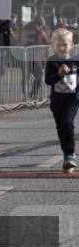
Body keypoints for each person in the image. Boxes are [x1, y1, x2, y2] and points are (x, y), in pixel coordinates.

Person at [45, 28, 78, 173]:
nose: (62, 48)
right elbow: (48, 80)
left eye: (65, 45)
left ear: (72, 45)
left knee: (67, 123)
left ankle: (70, 154)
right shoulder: (52, 61)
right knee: (60, 127)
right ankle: (66, 154)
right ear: (53, 46)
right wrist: (59, 74)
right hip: (57, 100)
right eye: (58, 45)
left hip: (72, 99)